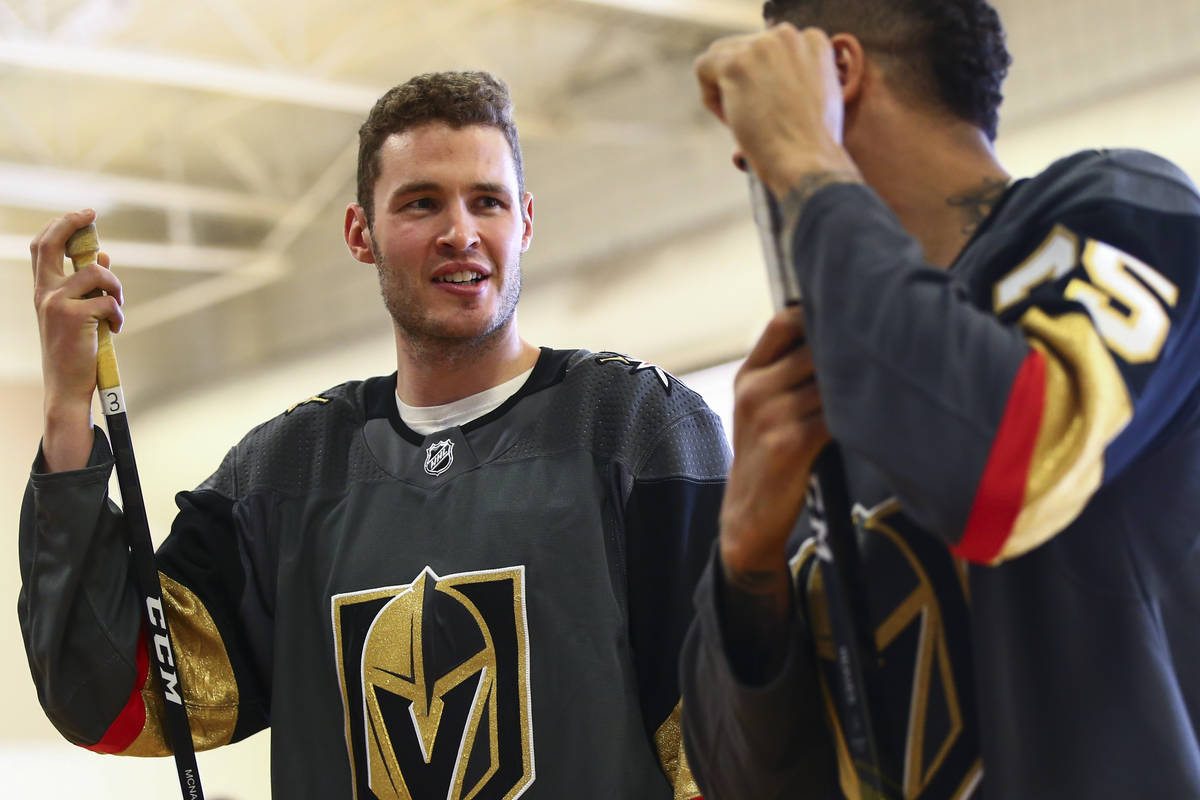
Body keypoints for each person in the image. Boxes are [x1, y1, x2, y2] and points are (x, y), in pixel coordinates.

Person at [20, 71, 728, 799]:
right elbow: (112, 695)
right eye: (422, 203)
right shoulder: (282, 476)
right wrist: (67, 411)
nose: (461, 232)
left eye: (487, 201)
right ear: (362, 233)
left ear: (524, 223)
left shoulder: (637, 429)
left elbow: (733, 744)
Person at [682, 1, 1200, 797]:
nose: (750, 164)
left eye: (754, 126)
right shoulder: (823, 378)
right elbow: (739, 783)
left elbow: (1006, 468)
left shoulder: (1126, 206)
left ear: (834, 75)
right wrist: (747, 561)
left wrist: (802, 149)